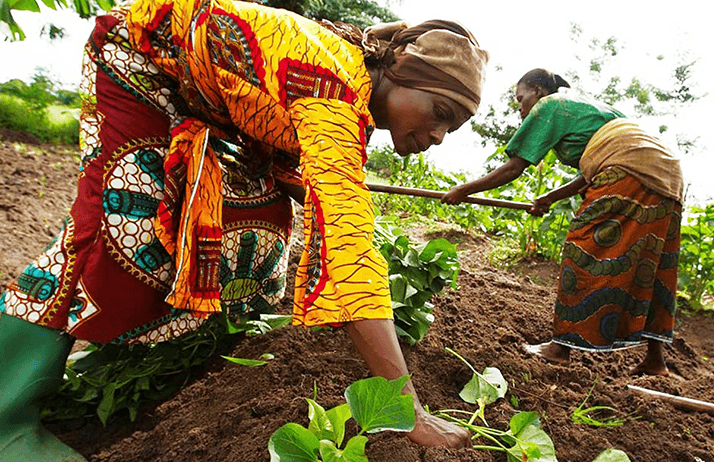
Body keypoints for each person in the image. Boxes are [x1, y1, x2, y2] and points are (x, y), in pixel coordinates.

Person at [0, 1, 489, 460]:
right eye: (439, 113)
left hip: (199, 99)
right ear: (402, 72)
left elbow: (315, 187)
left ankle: (150, 362)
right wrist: (409, 413)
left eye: (453, 130)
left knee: (258, 226)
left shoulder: (350, 100)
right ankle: (7, 417)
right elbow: (349, 254)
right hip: (136, 60)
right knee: (121, 230)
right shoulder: (333, 93)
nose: (438, 136)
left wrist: (339, 209)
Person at [442, 68, 683, 376]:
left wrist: (465, 189)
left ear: (539, 90)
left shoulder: (551, 104)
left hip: (628, 167)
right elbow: (589, 174)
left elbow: (515, 167)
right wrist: (550, 198)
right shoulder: (597, 111)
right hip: (669, 173)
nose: (520, 107)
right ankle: (656, 360)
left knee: (584, 246)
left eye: (521, 98)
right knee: (653, 260)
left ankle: (559, 349)